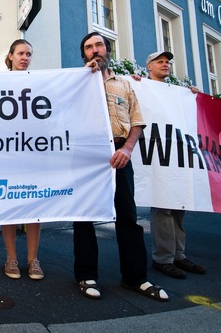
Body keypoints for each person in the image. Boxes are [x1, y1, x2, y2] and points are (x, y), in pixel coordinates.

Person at [73, 32, 168, 302]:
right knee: (84, 217)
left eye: (99, 45)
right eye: (89, 47)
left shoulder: (126, 84)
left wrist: (127, 148)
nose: (95, 51)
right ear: (84, 54)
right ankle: (86, 274)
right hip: (87, 157)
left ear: (107, 50)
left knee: (127, 216)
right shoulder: (76, 82)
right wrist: (85, 78)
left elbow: (137, 120)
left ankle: (135, 277)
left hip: (120, 154)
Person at [143, 51, 206, 279]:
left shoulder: (178, 93)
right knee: (162, 206)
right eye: (160, 62)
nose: (165, 65)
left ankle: (179, 255)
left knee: (180, 205)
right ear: (149, 66)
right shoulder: (142, 87)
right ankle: (164, 258)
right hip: (157, 155)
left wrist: (193, 98)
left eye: (167, 62)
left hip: (178, 155)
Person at [0, 39, 44, 281]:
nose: (25, 57)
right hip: (6, 153)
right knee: (9, 206)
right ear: (11, 56)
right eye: (20, 53)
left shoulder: (37, 84)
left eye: (29, 53)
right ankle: (11, 258)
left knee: (33, 206)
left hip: (32, 154)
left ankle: (33, 260)